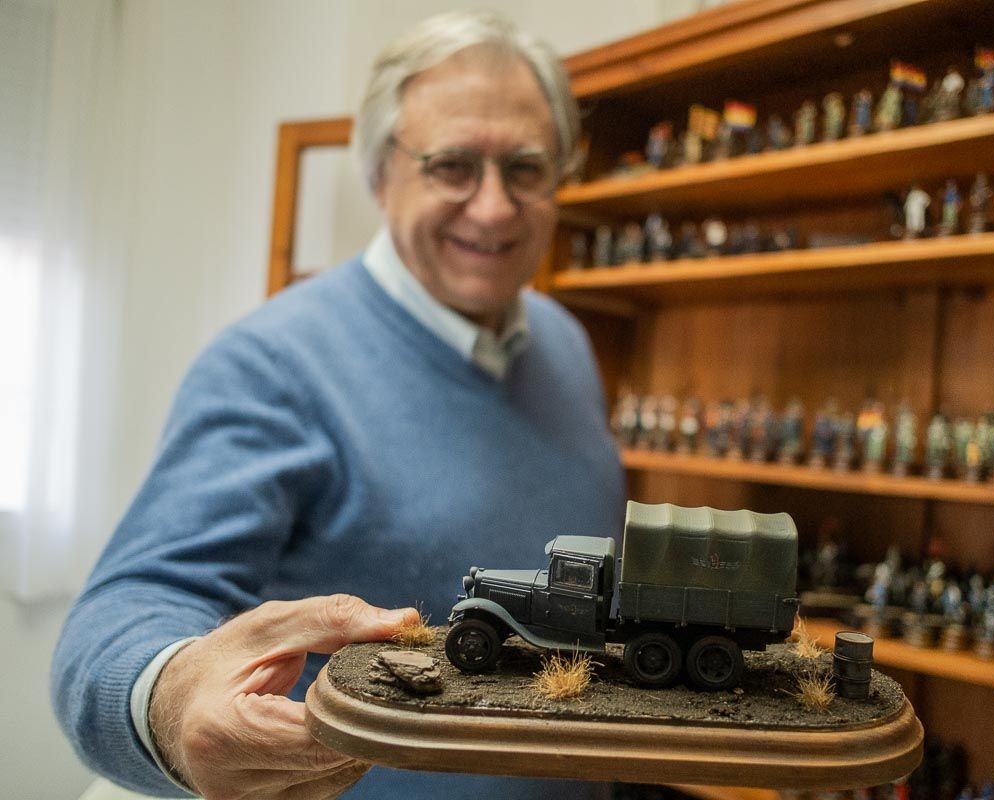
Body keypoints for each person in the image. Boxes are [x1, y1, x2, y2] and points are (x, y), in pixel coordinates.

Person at [51, 10, 625, 800]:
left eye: (525, 167)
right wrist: (175, 697)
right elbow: (121, 613)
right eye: (451, 164)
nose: (493, 207)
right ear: (381, 172)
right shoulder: (272, 363)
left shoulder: (565, 343)